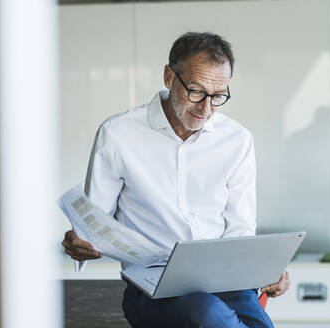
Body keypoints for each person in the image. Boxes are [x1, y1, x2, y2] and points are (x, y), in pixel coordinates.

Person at [61, 32, 289, 328]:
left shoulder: (237, 140)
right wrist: (80, 243)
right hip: (152, 290)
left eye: (218, 96)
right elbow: (93, 225)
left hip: (226, 284)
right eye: (196, 91)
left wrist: (262, 269)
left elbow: (240, 230)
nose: (205, 108)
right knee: (205, 311)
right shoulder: (118, 135)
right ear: (169, 77)